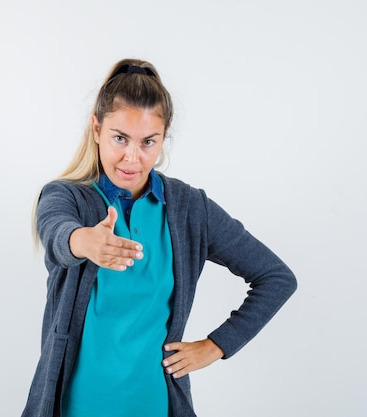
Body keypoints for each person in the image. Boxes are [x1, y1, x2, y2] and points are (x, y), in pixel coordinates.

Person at [21, 58, 297, 417]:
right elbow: (56, 230)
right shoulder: (66, 196)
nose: (132, 158)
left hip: (154, 405)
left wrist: (216, 346)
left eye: (148, 142)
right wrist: (83, 241)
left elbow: (276, 278)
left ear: (163, 138)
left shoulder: (190, 208)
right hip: (76, 406)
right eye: (119, 138)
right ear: (96, 129)